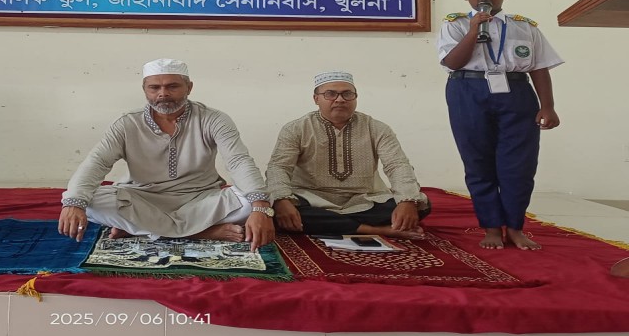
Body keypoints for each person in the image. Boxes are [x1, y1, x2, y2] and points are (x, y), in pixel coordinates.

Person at [58, 58, 274, 251]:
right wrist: (74, 203)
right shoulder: (127, 123)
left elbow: (238, 161)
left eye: (172, 86)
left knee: (255, 197)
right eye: (154, 87)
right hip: (142, 199)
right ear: (145, 89)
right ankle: (202, 232)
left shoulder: (213, 119)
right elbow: (97, 162)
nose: (163, 94)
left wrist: (260, 208)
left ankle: (143, 230)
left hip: (200, 199)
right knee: (89, 201)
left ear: (189, 87)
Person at [437, 0, 562, 250]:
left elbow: (539, 67)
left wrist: (548, 106)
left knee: (519, 164)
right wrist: (473, 30)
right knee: (478, 161)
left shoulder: (525, 26)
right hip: (467, 90)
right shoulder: (455, 24)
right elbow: (452, 62)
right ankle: (492, 227)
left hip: (516, 92)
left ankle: (515, 227)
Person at [265, 71, 430, 239]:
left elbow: (397, 165)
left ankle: (338, 225)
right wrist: (281, 200)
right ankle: (375, 230)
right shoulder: (296, 129)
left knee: (420, 205)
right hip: (312, 199)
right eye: (330, 94)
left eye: (347, 94)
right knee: (279, 209)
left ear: (355, 98)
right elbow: (279, 167)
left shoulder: (377, 128)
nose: (340, 99)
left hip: (364, 200)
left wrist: (407, 201)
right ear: (316, 99)